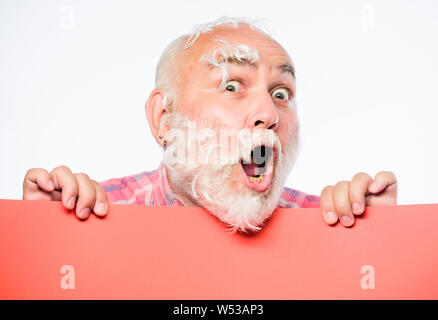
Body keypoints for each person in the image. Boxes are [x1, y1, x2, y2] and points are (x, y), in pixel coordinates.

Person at [22, 17, 397, 233]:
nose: (268, 113)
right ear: (164, 118)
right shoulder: (94, 215)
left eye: (282, 93)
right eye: (231, 86)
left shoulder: (330, 225)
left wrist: (381, 246)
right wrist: (36, 244)